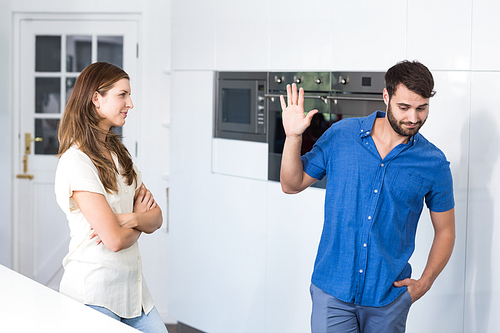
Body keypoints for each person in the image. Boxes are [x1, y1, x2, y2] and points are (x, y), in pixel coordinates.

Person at [280, 60, 455, 332]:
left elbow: (445, 231)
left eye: (422, 108)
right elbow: (291, 184)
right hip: (332, 291)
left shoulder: (433, 163)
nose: (413, 118)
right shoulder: (341, 135)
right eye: (404, 107)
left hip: (388, 298)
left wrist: (425, 282)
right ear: (386, 97)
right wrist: (292, 138)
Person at [55, 62, 168, 333]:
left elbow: (157, 219)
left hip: (135, 294)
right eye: (122, 95)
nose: (130, 103)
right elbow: (115, 241)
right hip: (95, 295)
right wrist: (136, 224)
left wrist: (129, 218)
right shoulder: (77, 161)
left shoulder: (119, 154)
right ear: (96, 98)